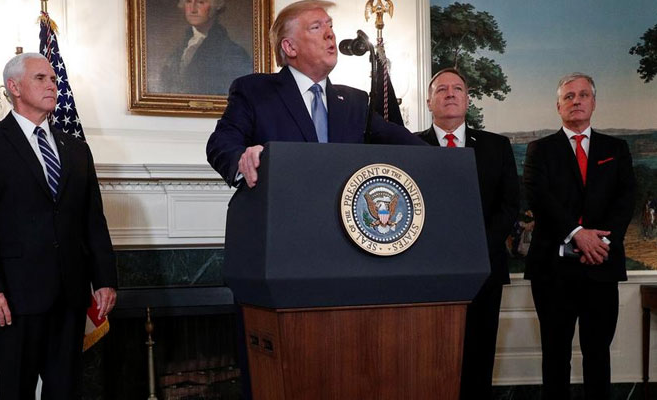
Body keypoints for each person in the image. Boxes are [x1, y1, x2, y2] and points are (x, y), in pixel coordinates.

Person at [0, 53, 117, 400]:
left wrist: (104, 279)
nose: (52, 85)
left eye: (54, 79)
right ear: (14, 87)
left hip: (70, 296)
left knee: (66, 391)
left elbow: (92, 220)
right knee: (16, 391)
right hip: (13, 298)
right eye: (41, 78)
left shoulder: (77, 149)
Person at [206, 0, 424, 188]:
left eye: (330, 25)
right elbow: (221, 144)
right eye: (316, 27)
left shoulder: (354, 102)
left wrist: (443, 158)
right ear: (290, 47)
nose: (330, 34)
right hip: (282, 213)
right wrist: (243, 160)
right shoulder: (254, 91)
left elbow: (406, 144)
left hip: (341, 219)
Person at [523, 72, 635, 400]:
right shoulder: (539, 149)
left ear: (594, 103)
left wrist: (601, 242)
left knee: (598, 354)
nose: (576, 101)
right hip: (552, 272)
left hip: (601, 266)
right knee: (555, 355)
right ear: (558, 106)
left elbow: (625, 199)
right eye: (569, 96)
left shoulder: (616, 148)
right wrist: (577, 234)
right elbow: (539, 197)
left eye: (583, 95)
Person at [416, 68, 520, 400]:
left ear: (467, 99)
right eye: (441, 89)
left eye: (457, 88)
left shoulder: (496, 146)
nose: (450, 93)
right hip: (425, 271)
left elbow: (509, 207)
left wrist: (475, 248)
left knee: (478, 357)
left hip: (484, 270)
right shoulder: (408, 145)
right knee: (427, 358)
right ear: (429, 101)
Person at [160, 0, 252, 95]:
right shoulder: (181, 48)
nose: (193, 10)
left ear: (215, 6)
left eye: (201, 2)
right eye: (188, 1)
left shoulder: (233, 53)